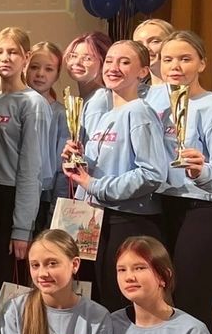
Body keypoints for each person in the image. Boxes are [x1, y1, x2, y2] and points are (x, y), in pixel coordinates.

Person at [145, 31, 212, 334]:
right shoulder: (150, 102)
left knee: (192, 308)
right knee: (159, 304)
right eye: (168, 59)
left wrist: (201, 171)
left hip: (203, 212)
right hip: (160, 209)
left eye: (185, 59)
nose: (175, 66)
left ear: (202, 63)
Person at [63, 39, 168, 311]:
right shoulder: (108, 113)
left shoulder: (140, 111)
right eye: (109, 61)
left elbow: (152, 173)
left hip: (127, 222)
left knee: (119, 305)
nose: (113, 67)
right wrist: (77, 163)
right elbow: (106, 168)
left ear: (143, 71)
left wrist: (94, 184)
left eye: (124, 62)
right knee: (98, 301)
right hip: (99, 219)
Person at [0, 27, 46, 295]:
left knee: (12, 287)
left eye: (13, 52)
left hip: (15, 200)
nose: (5, 58)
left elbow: (31, 170)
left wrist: (22, 228)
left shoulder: (33, 103)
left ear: (26, 57)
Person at [25, 40, 67, 233]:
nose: (40, 74)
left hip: (43, 197)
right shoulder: (13, 105)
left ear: (57, 74)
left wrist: (56, 208)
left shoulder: (60, 114)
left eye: (48, 69)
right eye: (34, 67)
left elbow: (61, 167)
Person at [133, 18, 175, 88]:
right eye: (139, 44)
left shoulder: (185, 89)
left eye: (155, 41)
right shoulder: (134, 91)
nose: (145, 48)